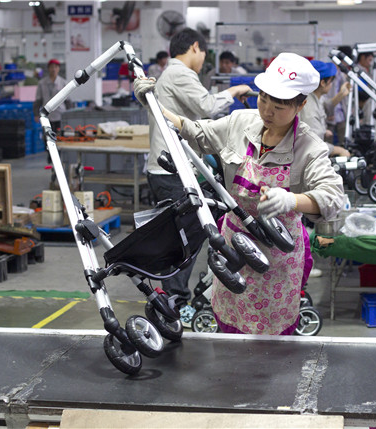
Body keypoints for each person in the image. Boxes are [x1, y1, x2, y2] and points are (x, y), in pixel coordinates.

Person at [135, 52, 344, 335]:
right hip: (232, 250)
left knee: (271, 341)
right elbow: (194, 131)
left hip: (277, 259)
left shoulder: (309, 146)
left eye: (279, 106)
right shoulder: (240, 122)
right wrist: (154, 105)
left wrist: (291, 200)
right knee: (230, 330)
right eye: (263, 99)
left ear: (301, 104)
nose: (267, 111)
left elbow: (333, 197)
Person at [146, 28, 251, 326]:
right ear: (195, 47)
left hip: (174, 169)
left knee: (190, 233)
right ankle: (175, 303)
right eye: (204, 53)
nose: (203, 59)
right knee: (186, 238)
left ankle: (177, 297)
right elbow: (206, 106)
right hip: (172, 171)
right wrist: (233, 92)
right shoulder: (179, 74)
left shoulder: (173, 74)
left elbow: (197, 120)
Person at [299, 60, 351, 157]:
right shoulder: (309, 109)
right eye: (331, 82)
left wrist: (341, 94)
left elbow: (325, 106)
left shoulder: (313, 96)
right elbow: (314, 145)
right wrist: (338, 150)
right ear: (323, 83)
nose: (331, 85)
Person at [324, 45, 352, 146]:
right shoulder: (328, 72)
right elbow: (326, 95)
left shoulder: (342, 73)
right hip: (329, 114)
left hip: (341, 114)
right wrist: (328, 112)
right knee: (327, 144)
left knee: (344, 142)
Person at [34, 59, 70, 132]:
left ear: (58, 69)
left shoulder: (63, 83)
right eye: (51, 67)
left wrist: (69, 115)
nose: (53, 69)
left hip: (60, 115)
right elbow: (38, 100)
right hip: (47, 116)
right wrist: (36, 114)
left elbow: (68, 101)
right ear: (48, 68)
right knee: (47, 136)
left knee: (61, 136)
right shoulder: (42, 83)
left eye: (56, 67)